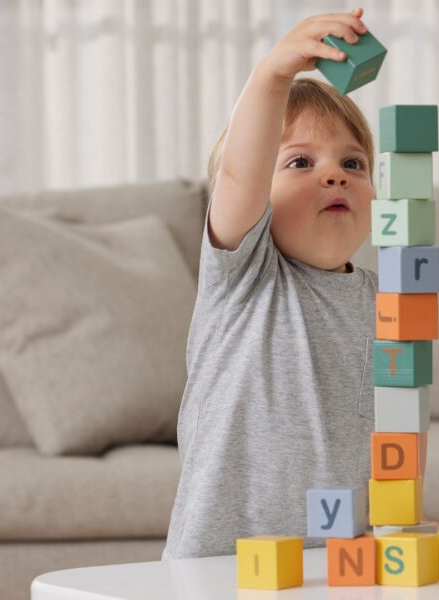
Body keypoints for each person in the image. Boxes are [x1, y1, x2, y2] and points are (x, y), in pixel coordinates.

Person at [163, 7, 380, 559]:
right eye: (301, 162)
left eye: (353, 164)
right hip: (221, 555)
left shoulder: (386, 298)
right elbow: (240, 176)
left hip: (337, 558)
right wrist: (272, 76)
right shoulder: (245, 273)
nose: (334, 174)